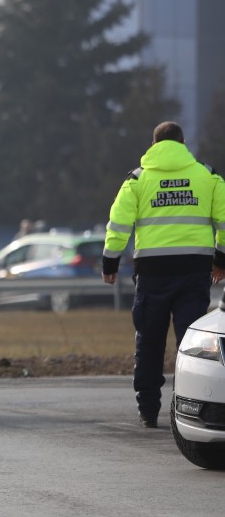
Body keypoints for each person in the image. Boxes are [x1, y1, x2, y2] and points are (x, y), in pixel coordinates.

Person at [101, 121, 225, 427]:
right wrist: (221, 260)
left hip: (152, 276)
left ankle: (148, 410)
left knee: (149, 340)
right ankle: (189, 408)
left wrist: (110, 263)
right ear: (182, 142)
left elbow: (118, 224)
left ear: (154, 144)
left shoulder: (138, 180)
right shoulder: (207, 176)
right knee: (191, 343)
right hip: (194, 273)